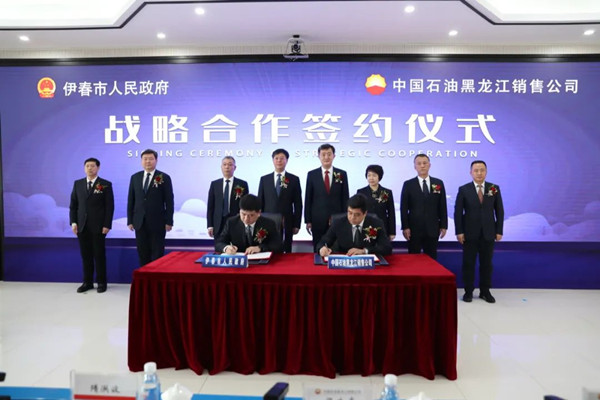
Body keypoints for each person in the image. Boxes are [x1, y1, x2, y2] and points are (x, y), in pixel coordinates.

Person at [454, 160, 504, 303]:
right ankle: (468, 291)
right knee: (468, 263)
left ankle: (485, 291)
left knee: (486, 264)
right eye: (476, 170)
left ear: (486, 172)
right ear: (471, 172)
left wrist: (499, 230)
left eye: (482, 170)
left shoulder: (494, 188)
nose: (479, 173)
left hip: (488, 233)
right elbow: (458, 213)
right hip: (469, 234)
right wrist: (459, 232)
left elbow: (499, 211)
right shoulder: (464, 189)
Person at [69, 157, 114, 293]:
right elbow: (73, 206)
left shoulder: (105, 184)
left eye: (92, 166)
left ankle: (101, 282)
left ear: (98, 168)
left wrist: (107, 225)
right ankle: (87, 282)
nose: (90, 168)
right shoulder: (78, 184)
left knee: (99, 255)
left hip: (99, 227)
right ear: (84, 168)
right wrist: (74, 222)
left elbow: (109, 207)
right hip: (82, 227)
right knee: (86, 256)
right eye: (87, 166)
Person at [127, 149, 174, 266]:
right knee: (142, 253)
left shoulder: (164, 177)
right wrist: (130, 220)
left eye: (151, 159)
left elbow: (169, 201)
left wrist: (169, 221)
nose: (148, 161)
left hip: (158, 222)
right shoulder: (135, 177)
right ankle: (144, 277)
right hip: (139, 222)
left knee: (157, 253)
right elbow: (131, 200)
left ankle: (156, 277)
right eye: (145, 159)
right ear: (141, 161)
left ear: (156, 160)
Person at [400, 154, 448, 259]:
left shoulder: (438, 183)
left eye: (425, 163)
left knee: (432, 258)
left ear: (429, 165)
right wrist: (405, 227)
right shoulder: (408, 184)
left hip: (433, 228)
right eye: (419, 163)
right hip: (414, 229)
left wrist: (444, 225)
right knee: (413, 258)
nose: (422, 166)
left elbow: (442, 206)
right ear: (415, 166)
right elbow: (404, 208)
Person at [304, 143, 349, 251]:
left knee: (337, 248)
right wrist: (308, 220)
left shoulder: (342, 174)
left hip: (337, 218)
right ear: (318, 156)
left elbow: (345, 197)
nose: (326, 157)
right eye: (323, 154)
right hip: (317, 219)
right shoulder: (312, 174)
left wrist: (345, 217)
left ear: (334, 156)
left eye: (329, 154)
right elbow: (308, 198)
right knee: (318, 248)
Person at [257, 149, 303, 253]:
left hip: (287, 220)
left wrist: (297, 224)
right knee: (267, 247)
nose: (279, 161)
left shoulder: (294, 179)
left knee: (286, 249)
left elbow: (298, 203)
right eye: (276, 158)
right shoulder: (264, 179)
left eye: (282, 158)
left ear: (287, 160)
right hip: (267, 220)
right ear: (273, 160)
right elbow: (260, 202)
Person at [317, 194, 392, 257]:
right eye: (350, 213)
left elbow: (387, 248)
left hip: (366, 263)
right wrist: (322, 249)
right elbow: (323, 241)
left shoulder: (376, 223)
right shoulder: (338, 223)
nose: (352, 217)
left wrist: (364, 251)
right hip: (344, 261)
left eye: (357, 214)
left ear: (365, 213)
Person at [215, 194, 283, 254]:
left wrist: (260, 248)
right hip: (240, 260)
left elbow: (278, 245)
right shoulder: (231, 222)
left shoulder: (268, 223)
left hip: (261, 260)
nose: (246, 219)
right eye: (243, 214)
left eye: (251, 215)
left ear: (259, 213)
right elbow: (219, 243)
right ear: (239, 211)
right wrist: (226, 248)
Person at [207, 156, 249, 239]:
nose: (227, 167)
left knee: (236, 245)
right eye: (224, 164)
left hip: (237, 221)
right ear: (221, 167)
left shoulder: (242, 184)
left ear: (235, 167)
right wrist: (210, 225)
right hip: (218, 223)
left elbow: (245, 206)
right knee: (219, 246)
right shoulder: (215, 184)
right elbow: (210, 207)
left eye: (230, 164)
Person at [356, 164, 396, 240]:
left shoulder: (387, 192)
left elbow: (391, 213)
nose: (371, 178)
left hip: (383, 227)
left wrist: (392, 232)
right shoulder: (361, 192)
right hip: (365, 227)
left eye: (374, 175)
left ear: (379, 177)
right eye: (369, 175)